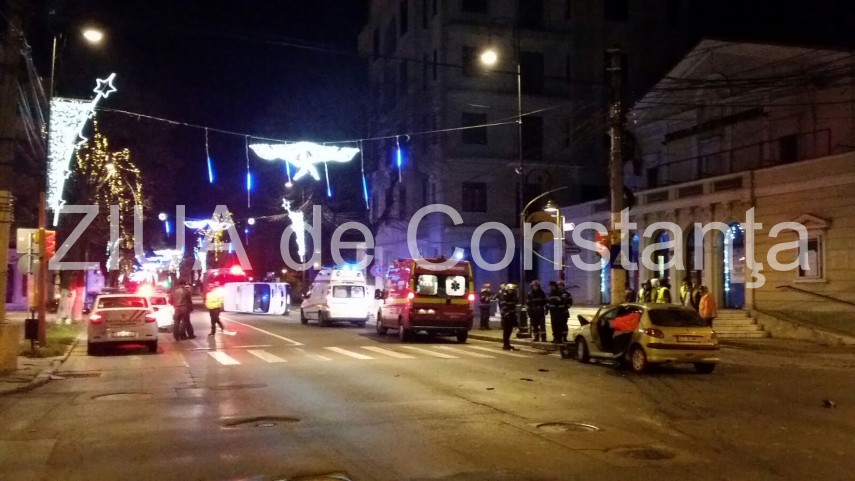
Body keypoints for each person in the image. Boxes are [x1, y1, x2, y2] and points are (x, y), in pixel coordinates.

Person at [498, 283, 519, 350]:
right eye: (510, 290)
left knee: (509, 330)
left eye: (512, 290)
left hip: (511, 315)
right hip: (506, 316)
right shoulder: (504, 296)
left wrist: (517, 292)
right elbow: (503, 306)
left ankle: (507, 344)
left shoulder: (512, 296)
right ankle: (505, 345)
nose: (511, 291)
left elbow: (516, 301)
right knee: (506, 331)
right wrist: (507, 313)